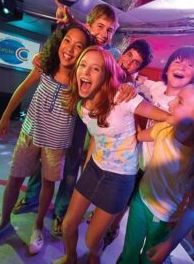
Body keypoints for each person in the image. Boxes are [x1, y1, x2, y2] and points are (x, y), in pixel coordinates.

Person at [12, 1, 130, 238]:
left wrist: (127, 84)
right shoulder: (79, 43)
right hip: (59, 110)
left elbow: (119, 76)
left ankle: (61, 212)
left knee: (70, 167)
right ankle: (32, 197)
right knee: (43, 157)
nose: (104, 34)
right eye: (100, 26)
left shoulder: (109, 54)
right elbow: (57, 53)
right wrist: (41, 56)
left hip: (83, 119)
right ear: (89, 25)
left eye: (110, 30)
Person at [53, 45, 170, 264]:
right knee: (68, 225)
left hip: (119, 177)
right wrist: (87, 166)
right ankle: (70, 258)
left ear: (106, 73)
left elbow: (168, 118)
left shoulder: (125, 94)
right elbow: (97, 138)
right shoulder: (81, 106)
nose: (86, 73)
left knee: (91, 242)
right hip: (96, 168)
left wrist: (144, 134)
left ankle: (94, 257)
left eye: (95, 69)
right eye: (83, 66)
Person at [0, 23, 93, 254]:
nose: (69, 48)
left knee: (48, 185)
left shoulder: (81, 83)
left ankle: (38, 226)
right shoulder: (44, 66)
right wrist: (6, 116)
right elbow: (21, 88)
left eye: (79, 46)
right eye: (67, 40)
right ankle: (4, 223)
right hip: (30, 134)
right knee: (15, 178)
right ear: (60, 41)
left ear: (84, 54)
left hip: (56, 144)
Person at [103, 45, 194, 248]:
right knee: (129, 198)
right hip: (141, 157)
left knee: (145, 211)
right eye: (177, 61)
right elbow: (136, 81)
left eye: (190, 65)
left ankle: (129, 232)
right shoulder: (156, 88)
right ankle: (113, 225)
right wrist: (130, 86)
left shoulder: (187, 106)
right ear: (168, 66)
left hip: (163, 171)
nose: (182, 66)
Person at [117, 83, 194, 264]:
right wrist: (129, 108)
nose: (170, 104)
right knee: (129, 250)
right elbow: (136, 136)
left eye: (180, 101)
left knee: (150, 258)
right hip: (140, 201)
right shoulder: (164, 129)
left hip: (165, 218)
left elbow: (192, 209)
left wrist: (169, 245)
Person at [147, 193, 194, 264]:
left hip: (175, 212)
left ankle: (162, 255)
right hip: (162, 208)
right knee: (155, 235)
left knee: (163, 236)